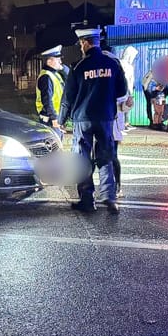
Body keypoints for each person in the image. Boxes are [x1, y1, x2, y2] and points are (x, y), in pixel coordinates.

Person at [59, 27, 128, 214]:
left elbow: (68, 97)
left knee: (82, 158)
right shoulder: (113, 64)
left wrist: (61, 119)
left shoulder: (78, 67)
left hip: (83, 119)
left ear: (85, 43)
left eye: (81, 44)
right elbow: (122, 92)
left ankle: (87, 200)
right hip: (106, 117)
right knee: (105, 156)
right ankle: (109, 197)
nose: (81, 47)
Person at [111, 46, 137, 195]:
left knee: (113, 156)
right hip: (100, 124)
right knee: (98, 157)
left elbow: (124, 105)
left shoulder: (120, 81)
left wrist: (127, 105)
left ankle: (117, 186)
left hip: (113, 124)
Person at [35, 45, 66, 138]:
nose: (60, 61)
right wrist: (54, 118)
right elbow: (47, 100)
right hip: (50, 120)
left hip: (55, 118)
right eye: (58, 59)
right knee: (53, 148)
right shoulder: (46, 77)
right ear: (49, 61)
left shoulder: (55, 74)